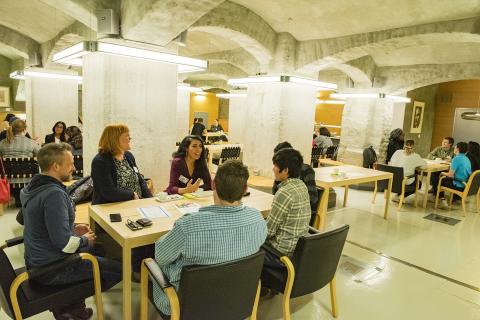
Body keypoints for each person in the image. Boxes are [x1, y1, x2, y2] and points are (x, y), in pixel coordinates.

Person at [21, 143, 122, 320]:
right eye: (70, 163)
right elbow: (65, 244)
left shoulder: (33, 187)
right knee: (120, 270)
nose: (74, 167)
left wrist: (72, 228)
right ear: (56, 166)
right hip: (53, 269)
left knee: (99, 250)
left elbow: (44, 225)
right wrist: (84, 240)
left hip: (37, 261)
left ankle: (71, 305)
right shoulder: (54, 194)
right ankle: (70, 304)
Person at [154, 160, 267, 317]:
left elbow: (160, 256)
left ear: (214, 184)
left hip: (188, 306)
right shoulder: (258, 220)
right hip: (237, 299)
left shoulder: (188, 226)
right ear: (245, 189)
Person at [263, 148, 311, 270]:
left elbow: (268, 232)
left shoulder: (284, 192)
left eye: (275, 165)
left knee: (249, 246)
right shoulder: (302, 186)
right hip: (299, 250)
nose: (273, 168)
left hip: (281, 254)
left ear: (286, 170)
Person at [91, 124, 152, 204]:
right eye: (127, 135)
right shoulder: (100, 161)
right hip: (111, 207)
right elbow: (109, 192)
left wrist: (150, 200)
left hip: (136, 204)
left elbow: (140, 181)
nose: (130, 138)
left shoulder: (128, 156)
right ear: (115, 139)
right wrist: (132, 195)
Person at [272, 142, 318, 225]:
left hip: (299, 215)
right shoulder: (282, 174)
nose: (274, 167)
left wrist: (293, 208)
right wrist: (278, 180)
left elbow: (312, 198)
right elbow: (275, 194)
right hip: (286, 210)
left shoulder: (306, 171)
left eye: (277, 163)